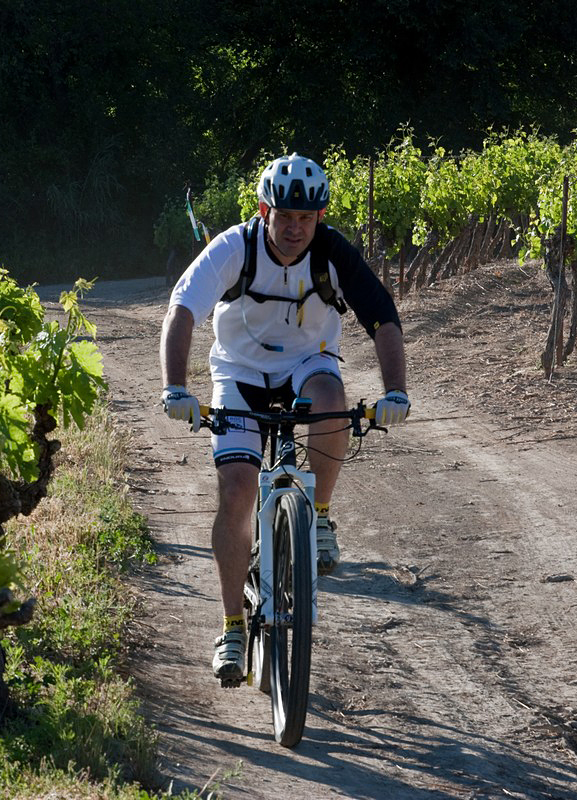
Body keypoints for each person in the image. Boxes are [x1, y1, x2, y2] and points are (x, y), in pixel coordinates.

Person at [159, 153, 409, 684]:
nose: (295, 228)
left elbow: (382, 317)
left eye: (306, 218)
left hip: (306, 364)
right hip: (240, 372)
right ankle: (232, 626)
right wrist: (176, 387)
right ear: (263, 211)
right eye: (285, 216)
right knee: (237, 489)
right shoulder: (234, 248)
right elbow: (182, 310)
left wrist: (396, 392)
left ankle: (319, 517)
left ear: (319, 217)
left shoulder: (333, 253)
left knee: (331, 398)